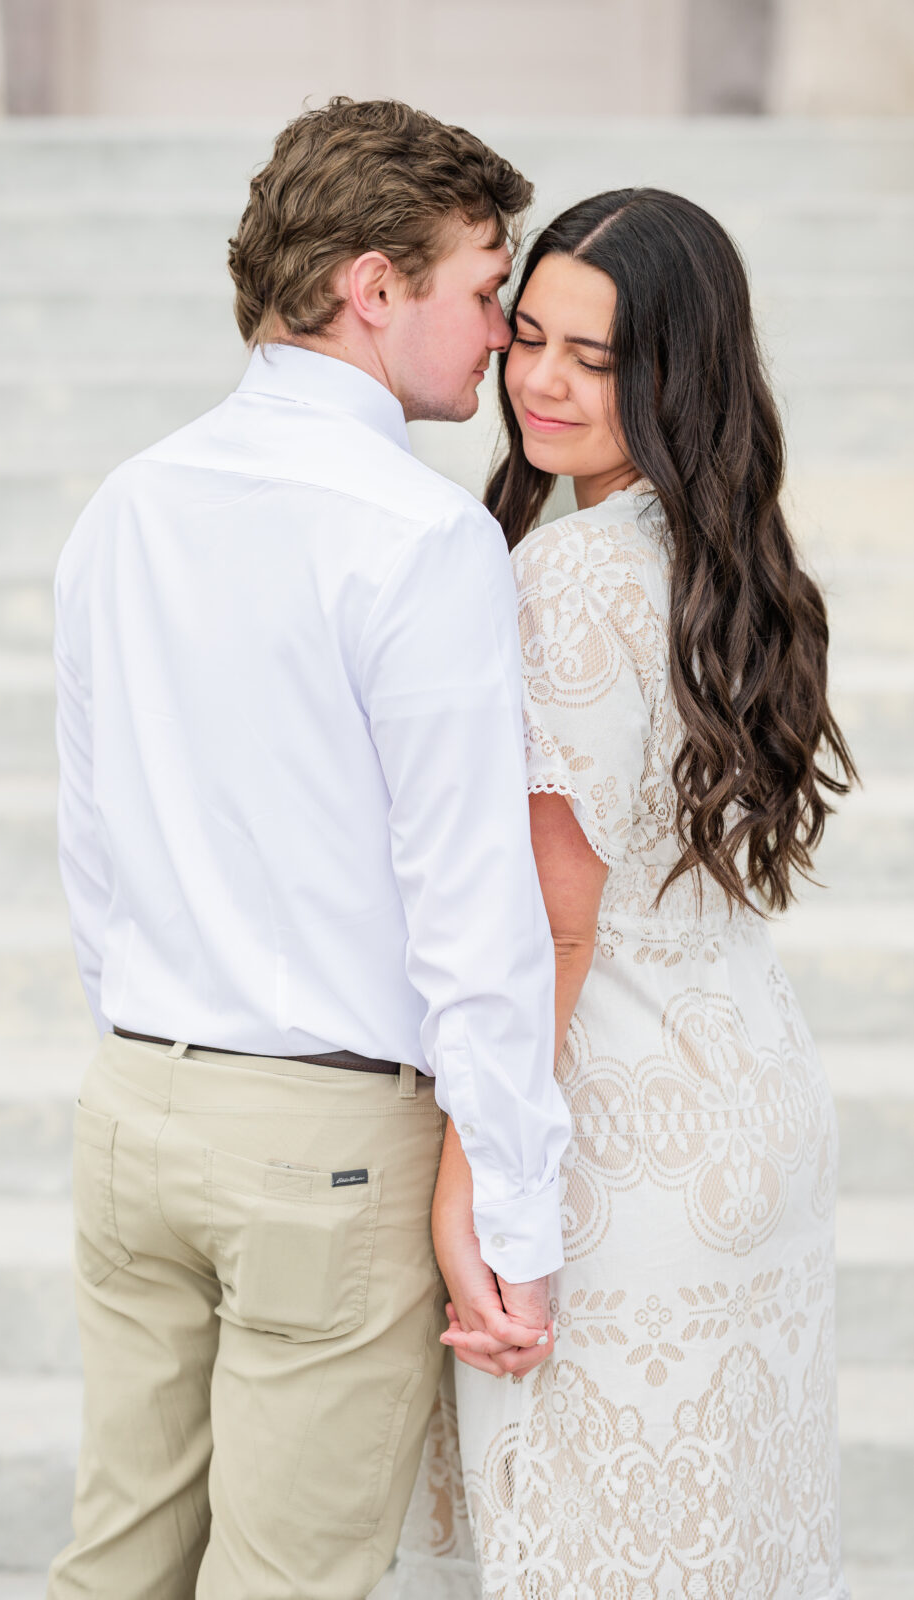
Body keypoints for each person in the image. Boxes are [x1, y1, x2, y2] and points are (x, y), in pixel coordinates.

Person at [45, 98, 569, 1600]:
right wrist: (517, 1212)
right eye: (487, 288)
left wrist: (155, 1040)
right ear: (373, 286)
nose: (501, 336)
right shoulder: (419, 536)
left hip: (135, 1103)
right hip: (324, 1142)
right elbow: (470, 908)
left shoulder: (128, 503)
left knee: (116, 1566)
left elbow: (92, 844)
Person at [403, 189, 856, 1600]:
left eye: (591, 359)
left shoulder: (568, 576)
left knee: (595, 1552)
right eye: (527, 336)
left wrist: (471, 1189)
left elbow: (554, 928)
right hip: (752, 1100)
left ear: (674, 372)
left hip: (619, 1142)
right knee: (723, 1545)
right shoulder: (727, 564)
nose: (539, 381)